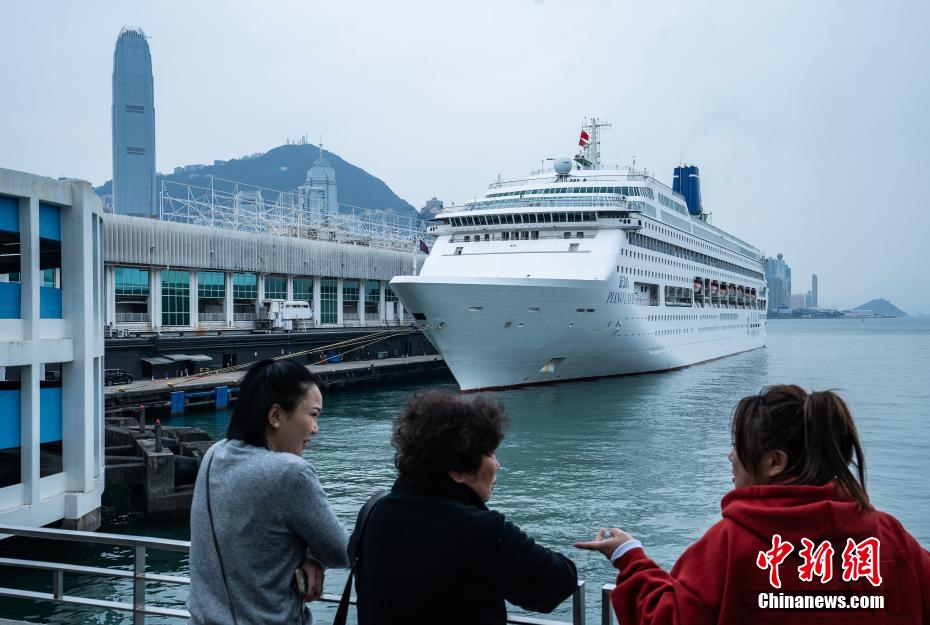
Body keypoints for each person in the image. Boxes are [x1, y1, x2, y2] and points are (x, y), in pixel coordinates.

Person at [576, 384, 930, 625]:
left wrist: (629, 556)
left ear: (775, 461)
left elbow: (668, 618)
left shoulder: (731, 545)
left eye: (738, 446)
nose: (730, 456)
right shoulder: (891, 537)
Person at [351, 391, 578, 625]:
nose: (497, 464)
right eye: (489, 453)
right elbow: (557, 583)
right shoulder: (480, 530)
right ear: (458, 470)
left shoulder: (373, 512)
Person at [188, 359, 349, 625]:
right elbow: (341, 551)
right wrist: (315, 556)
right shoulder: (290, 472)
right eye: (313, 415)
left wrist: (309, 554)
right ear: (275, 416)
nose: (316, 429)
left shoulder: (215, 453)